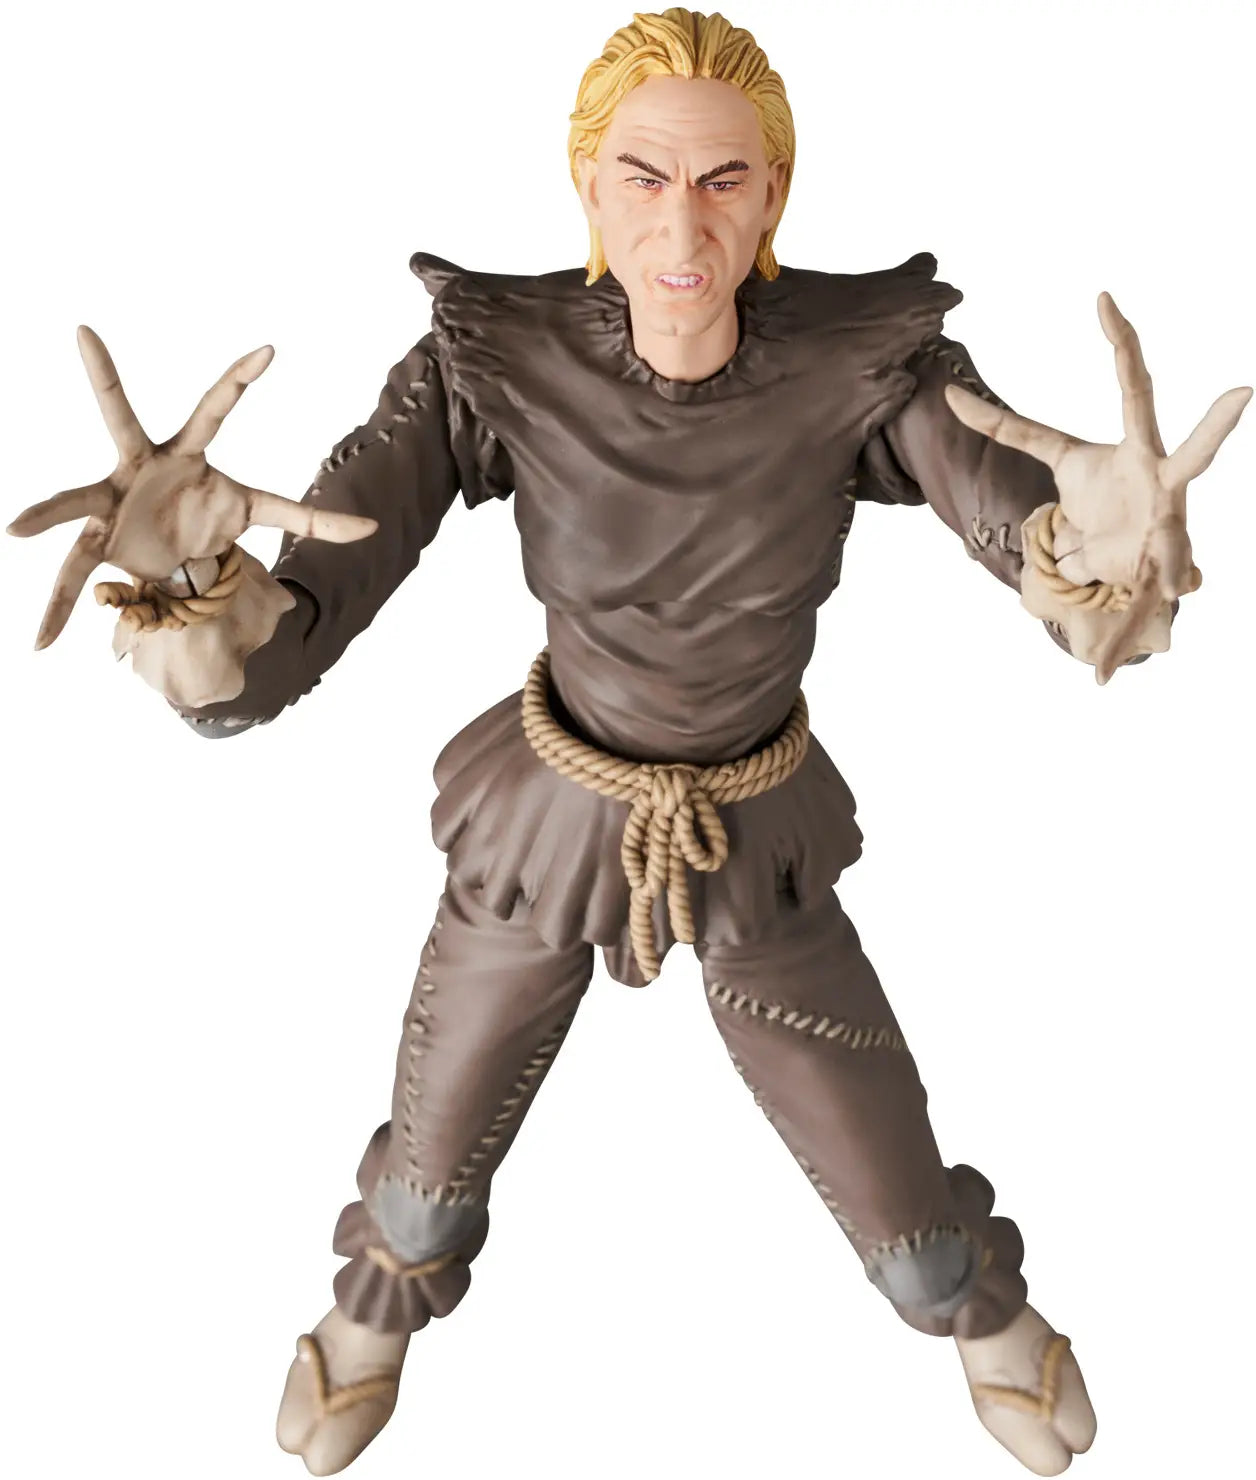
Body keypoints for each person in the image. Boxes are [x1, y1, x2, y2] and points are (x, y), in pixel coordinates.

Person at [7, 9, 1249, 1478]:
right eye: (644, 177)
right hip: (547, 820)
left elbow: (1018, 527)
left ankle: (974, 1311)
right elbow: (276, 655)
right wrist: (196, 581)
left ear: (776, 194)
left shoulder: (867, 362)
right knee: (428, 1163)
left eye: (724, 180)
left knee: (895, 1198)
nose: (683, 223)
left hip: (754, 829)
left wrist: (1096, 545)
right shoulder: (492, 360)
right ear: (586, 187)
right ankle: (371, 1316)